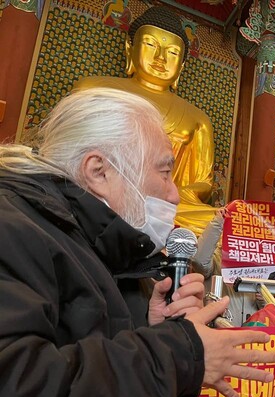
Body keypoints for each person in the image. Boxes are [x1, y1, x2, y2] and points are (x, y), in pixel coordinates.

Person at [0, 88, 275, 397]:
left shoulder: (99, 247)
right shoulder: (11, 227)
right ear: (98, 171)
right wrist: (179, 353)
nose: (175, 193)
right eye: (165, 172)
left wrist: (147, 329)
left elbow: (86, 356)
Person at [75, 6, 217, 235]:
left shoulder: (198, 119)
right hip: (99, 194)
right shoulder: (93, 89)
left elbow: (203, 182)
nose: (160, 58)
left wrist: (180, 194)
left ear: (181, 65)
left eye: (171, 52)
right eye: (151, 44)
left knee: (223, 222)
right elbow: (70, 156)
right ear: (129, 48)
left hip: (166, 206)